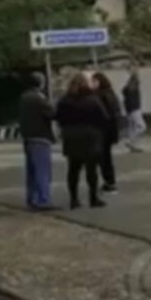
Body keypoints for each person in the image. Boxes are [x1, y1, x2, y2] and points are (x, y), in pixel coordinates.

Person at [55, 71, 106, 209]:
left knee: (73, 169)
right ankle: (93, 198)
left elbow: (58, 117)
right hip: (90, 136)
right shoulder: (92, 99)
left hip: (71, 136)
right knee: (91, 170)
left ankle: (74, 199)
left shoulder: (65, 100)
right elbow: (103, 117)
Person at [19, 73, 56, 210]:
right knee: (42, 170)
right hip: (40, 137)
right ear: (40, 83)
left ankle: (32, 199)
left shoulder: (24, 97)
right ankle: (43, 200)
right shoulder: (38, 98)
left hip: (28, 137)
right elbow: (52, 113)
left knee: (32, 172)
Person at [91, 71, 122, 193]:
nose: (92, 84)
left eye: (94, 81)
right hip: (108, 130)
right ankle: (109, 181)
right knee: (106, 157)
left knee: (103, 158)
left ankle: (109, 181)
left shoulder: (99, 95)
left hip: (102, 131)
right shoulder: (110, 93)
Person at [122, 66, 146, 152]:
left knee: (132, 128)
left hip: (130, 107)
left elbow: (126, 92)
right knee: (141, 126)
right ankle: (130, 141)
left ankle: (133, 145)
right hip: (134, 107)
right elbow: (130, 93)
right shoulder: (133, 81)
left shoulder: (129, 82)